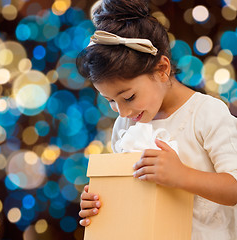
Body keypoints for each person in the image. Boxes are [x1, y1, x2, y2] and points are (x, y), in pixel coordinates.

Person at [76, 0, 237, 239]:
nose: (121, 112)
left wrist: (183, 176)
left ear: (162, 69)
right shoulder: (126, 125)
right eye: (110, 101)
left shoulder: (206, 114)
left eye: (128, 97)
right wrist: (100, 200)